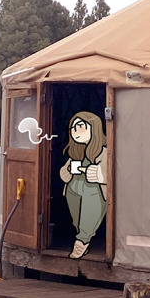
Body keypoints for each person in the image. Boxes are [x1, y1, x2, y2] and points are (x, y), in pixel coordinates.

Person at [59, 111, 107, 259]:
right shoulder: (76, 152)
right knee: (77, 220)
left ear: (94, 128)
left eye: (81, 127)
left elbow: (112, 171)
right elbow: (64, 171)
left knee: (89, 214)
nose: (76, 132)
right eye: (73, 129)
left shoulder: (103, 151)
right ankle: (82, 234)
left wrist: (100, 174)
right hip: (73, 189)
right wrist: (65, 173)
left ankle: (82, 242)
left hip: (93, 190)